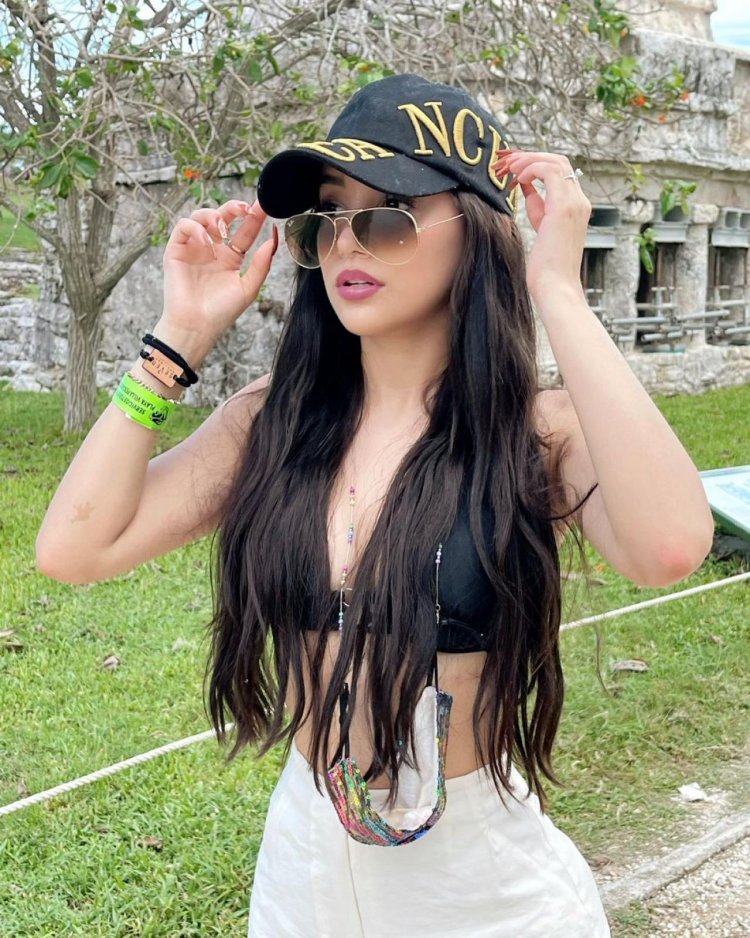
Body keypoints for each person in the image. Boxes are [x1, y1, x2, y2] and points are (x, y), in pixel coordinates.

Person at [36, 73, 715, 937]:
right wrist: (179, 338)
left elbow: (668, 546)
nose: (348, 245)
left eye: (388, 217)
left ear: (476, 231)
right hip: (303, 869)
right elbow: (74, 548)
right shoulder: (272, 422)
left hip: (482, 890)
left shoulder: (534, 432)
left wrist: (558, 290)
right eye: (327, 219)